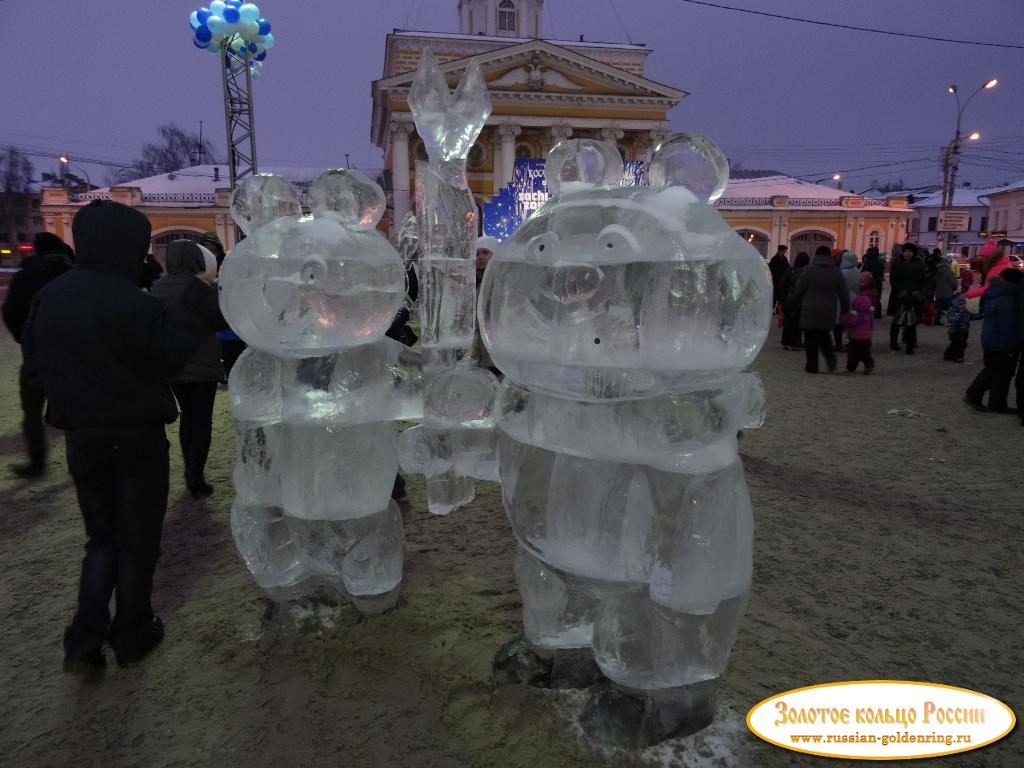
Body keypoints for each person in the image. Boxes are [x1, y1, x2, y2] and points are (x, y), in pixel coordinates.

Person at [23, 200, 212, 672]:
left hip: (82, 435)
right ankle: (132, 631)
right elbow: (169, 358)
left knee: (102, 539)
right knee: (138, 540)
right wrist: (193, 311)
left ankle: (83, 641)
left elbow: (34, 364)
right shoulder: (130, 299)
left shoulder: (51, 294)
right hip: (136, 437)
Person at [150, 241, 226, 498]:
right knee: (202, 419)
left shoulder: (157, 287)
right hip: (201, 362)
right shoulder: (200, 289)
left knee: (187, 416)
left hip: (172, 364)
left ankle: (189, 470)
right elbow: (219, 320)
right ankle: (196, 476)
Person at [1, 232, 74, 478]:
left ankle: (37, 463)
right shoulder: (72, 274)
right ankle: (81, 463)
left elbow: (11, 312)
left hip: (37, 354)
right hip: (73, 353)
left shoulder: (25, 276)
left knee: (31, 410)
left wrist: (26, 339)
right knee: (79, 410)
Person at [963, 268, 1020, 413]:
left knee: (993, 369)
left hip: (989, 338)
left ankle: (993, 402)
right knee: (1000, 372)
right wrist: (1012, 345)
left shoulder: (992, 293)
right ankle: (976, 396)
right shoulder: (1007, 299)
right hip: (1002, 342)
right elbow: (1007, 325)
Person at [792, 245, 851, 374]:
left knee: (810, 338)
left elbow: (799, 290)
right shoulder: (836, 271)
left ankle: (812, 365)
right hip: (828, 309)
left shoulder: (809, 270)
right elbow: (844, 293)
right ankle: (830, 358)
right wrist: (845, 310)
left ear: (816, 255)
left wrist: (794, 304)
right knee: (824, 335)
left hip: (809, 309)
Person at [887, 243, 926, 354]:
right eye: (905, 251)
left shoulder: (919, 264)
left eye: (909, 251)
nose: (906, 253)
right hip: (899, 296)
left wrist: (917, 292)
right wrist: (901, 292)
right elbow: (893, 280)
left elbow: (922, 280)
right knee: (896, 321)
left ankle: (910, 345)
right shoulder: (896, 263)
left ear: (913, 253)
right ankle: (893, 343)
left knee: (911, 322)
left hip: (913, 296)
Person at [843, 272, 876, 374]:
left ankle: (851, 367)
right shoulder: (869, 314)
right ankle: (868, 363)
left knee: (853, 353)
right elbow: (872, 323)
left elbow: (850, 323)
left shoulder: (855, 315)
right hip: (866, 337)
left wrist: (845, 319)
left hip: (855, 337)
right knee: (865, 352)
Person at [779, 251, 809, 350]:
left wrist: (782, 299)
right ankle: (795, 342)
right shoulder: (806, 272)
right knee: (797, 321)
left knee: (788, 320)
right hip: (800, 299)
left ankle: (785, 341)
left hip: (788, 298)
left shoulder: (790, 270)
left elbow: (782, 285)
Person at [835, 250, 860, 352]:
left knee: (838, 323)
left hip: (840, 298)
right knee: (852, 322)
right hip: (854, 297)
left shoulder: (840, 272)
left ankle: (838, 345)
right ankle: (852, 343)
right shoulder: (857, 271)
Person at [943, 290, 971, 363]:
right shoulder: (954, 312)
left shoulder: (964, 311)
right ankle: (958, 357)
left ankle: (948, 355)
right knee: (960, 344)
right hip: (957, 331)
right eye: (961, 303)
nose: (963, 305)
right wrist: (952, 332)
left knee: (956, 343)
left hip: (963, 329)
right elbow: (953, 323)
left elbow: (969, 316)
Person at [860, 246, 885, 318]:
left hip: (869, 281)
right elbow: (881, 272)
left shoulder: (868, 262)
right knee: (877, 297)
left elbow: (863, 272)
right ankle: (877, 313)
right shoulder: (880, 261)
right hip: (878, 281)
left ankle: (869, 312)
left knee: (868, 297)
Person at [933, 256, 958, 325]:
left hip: (938, 293)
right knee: (950, 307)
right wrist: (954, 289)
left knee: (939, 308)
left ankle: (936, 321)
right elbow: (953, 283)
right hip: (948, 292)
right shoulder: (949, 272)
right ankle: (950, 321)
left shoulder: (936, 272)